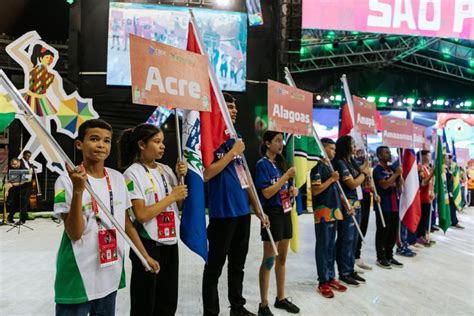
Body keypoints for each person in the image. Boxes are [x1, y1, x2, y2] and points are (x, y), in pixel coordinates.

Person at [53, 119, 159, 315]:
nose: (101, 145)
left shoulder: (118, 179)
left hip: (110, 269)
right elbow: (74, 234)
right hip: (78, 273)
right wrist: (78, 192)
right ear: (79, 144)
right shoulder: (66, 181)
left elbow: (125, 223)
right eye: (94, 139)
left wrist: (145, 255)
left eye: (107, 140)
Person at [202, 93, 268, 316]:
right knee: (214, 268)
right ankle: (211, 312)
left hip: (242, 211)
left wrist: (257, 208)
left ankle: (237, 307)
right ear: (218, 109)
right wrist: (231, 153)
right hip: (222, 212)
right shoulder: (209, 136)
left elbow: (244, 175)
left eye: (235, 107)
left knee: (237, 264)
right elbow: (207, 174)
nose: (235, 110)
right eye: (229, 107)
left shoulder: (236, 138)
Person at [119, 123, 188, 316]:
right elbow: (141, 215)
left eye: (163, 142)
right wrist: (172, 197)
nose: (162, 146)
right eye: (157, 142)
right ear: (142, 144)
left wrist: (182, 179)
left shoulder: (166, 170)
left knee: (167, 303)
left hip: (170, 242)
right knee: (145, 304)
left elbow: (178, 206)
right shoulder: (132, 173)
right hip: (148, 244)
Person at [255, 131, 300, 315]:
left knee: (282, 259)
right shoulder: (262, 165)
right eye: (277, 141)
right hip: (272, 214)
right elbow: (266, 193)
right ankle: (263, 304)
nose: (281, 144)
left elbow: (284, 189)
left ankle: (280, 298)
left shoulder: (282, 164)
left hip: (285, 211)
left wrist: (292, 192)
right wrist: (285, 177)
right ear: (267, 143)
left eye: (282, 140)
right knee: (269, 260)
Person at [310, 138, 347, 298]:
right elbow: (316, 190)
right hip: (323, 213)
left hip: (334, 211)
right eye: (331, 148)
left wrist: (345, 205)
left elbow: (336, 189)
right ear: (323, 149)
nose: (334, 151)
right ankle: (322, 281)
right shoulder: (317, 166)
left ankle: (331, 276)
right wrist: (332, 179)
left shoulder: (330, 166)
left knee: (331, 245)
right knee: (323, 246)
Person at [334, 135, 370, 287]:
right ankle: (344, 271)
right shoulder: (341, 163)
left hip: (357, 203)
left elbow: (359, 175)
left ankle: (350, 268)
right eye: (352, 144)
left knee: (354, 238)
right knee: (346, 238)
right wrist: (365, 174)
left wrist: (365, 168)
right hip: (347, 205)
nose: (355, 147)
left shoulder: (352, 161)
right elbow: (352, 183)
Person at [373, 146, 407, 269]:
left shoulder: (392, 168)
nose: (389, 155)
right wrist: (396, 174)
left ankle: (389, 255)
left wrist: (399, 177)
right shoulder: (378, 169)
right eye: (386, 153)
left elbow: (399, 187)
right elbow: (384, 185)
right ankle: (380, 257)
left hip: (394, 205)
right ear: (380, 155)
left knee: (392, 232)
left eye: (389, 152)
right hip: (383, 206)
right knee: (383, 232)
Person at [417, 150, 435, 246]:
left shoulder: (427, 168)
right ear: (423, 156)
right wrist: (432, 173)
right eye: (428, 155)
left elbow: (431, 183)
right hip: (422, 197)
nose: (430, 156)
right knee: (422, 218)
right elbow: (423, 183)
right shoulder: (420, 168)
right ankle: (419, 236)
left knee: (426, 218)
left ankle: (424, 235)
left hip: (428, 197)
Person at [445, 154, 464, 229]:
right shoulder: (445, 168)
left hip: (450, 190)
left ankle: (454, 221)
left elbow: (452, 179)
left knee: (452, 206)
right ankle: (452, 221)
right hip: (446, 190)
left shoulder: (449, 168)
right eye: (448, 158)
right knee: (451, 205)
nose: (449, 160)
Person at [5, 158, 23, 224]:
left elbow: (23, 181)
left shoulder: (22, 169)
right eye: (12, 164)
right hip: (13, 190)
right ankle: (9, 218)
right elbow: (8, 181)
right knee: (12, 204)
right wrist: (7, 191)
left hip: (21, 189)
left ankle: (11, 217)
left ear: (18, 163)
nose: (13, 166)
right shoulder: (10, 171)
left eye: (15, 164)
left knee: (19, 205)